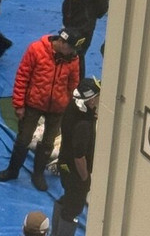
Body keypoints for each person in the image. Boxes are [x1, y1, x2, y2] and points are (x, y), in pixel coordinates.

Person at [0, 28, 82, 191]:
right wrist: (19, 104)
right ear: (61, 42)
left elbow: (73, 83)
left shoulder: (73, 58)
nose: (73, 52)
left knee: (48, 143)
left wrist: (70, 106)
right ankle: (12, 170)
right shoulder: (36, 49)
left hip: (57, 108)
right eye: (70, 48)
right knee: (23, 139)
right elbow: (22, 76)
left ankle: (38, 174)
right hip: (33, 104)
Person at [51, 78, 101, 236]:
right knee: (74, 208)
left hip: (64, 164)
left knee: (68, 198)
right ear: (91, 100)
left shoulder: (72, 108)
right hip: (74, 171)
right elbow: (79, 157)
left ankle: (55, 232)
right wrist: (85, 178)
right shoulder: (83, 126)